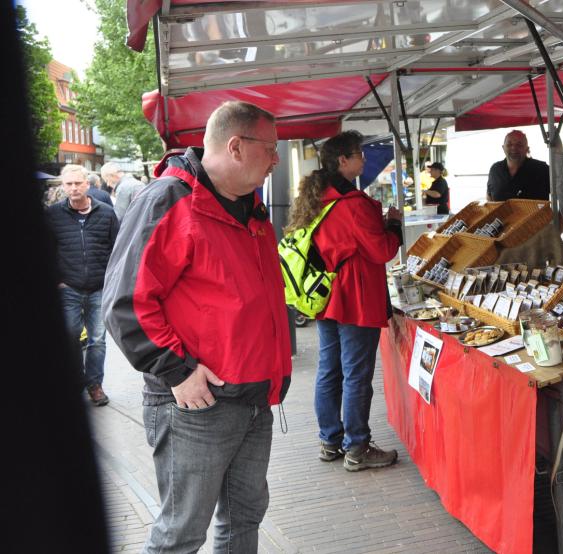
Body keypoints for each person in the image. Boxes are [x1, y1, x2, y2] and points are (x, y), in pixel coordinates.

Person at [102, 101, 292, 552]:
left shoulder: (250, 208)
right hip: (196, 402)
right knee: (181, 532)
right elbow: (124, 303)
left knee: (244, 518)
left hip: (252, 396)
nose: (276, 160)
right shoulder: (169, 200)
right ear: (236, 146)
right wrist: (177, 371)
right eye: (270, 149)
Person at [285, 130, 402, 472]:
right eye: (359, 155)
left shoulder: (318, 199)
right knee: (356, 374)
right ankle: (358, 447)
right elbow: (381, 250)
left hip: (325, 298)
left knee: (330, 369)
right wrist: (393, 226)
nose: (363, 160)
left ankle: (330, 441)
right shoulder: (354, 205)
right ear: (343, 161)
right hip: (355, 298)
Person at [47, 164, 119, 407]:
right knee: (70, 336)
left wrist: (112, 280)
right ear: (63, 187)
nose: (74, 187)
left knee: (97, 339)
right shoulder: (53, 214)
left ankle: (95, 385)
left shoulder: (106, 213)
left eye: (78, 183)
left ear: (87, 184)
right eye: (69, 184)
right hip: (69, 287)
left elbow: (117, 249)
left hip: (99, 288)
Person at [486, 129, 550, 201]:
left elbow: (560, 193)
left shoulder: (542, 169)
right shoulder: (495, 169)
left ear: (527, 149)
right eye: (509, 144)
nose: (514, 148)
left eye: (519, 145)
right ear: (503, 148)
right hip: (501, 212)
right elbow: (489, 197)